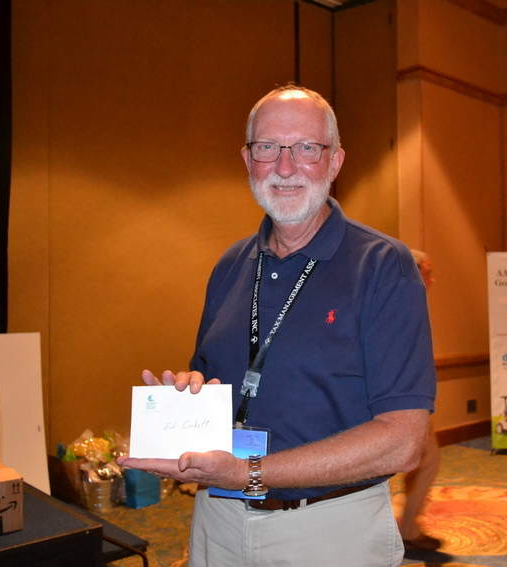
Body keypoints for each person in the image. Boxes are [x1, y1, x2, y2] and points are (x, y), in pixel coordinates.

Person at [119, 85, 436, 567]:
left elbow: (403, 442)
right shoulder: (229, 265)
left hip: (329, 531)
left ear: (334, 162)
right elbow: (214, 381)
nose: (285, 167)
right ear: (248, 160)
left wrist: (251, 472)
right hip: (218, 518)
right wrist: (190, 394)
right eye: (268, 147)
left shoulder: (383, 266)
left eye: (306, 148)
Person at [399, 249, 442, 552]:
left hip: (409, 398)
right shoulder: (404, 307)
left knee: (419, 463)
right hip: (405, 401)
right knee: (427, 460)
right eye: (428, 273)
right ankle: (407, 531)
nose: (433, 280)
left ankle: (407, 528)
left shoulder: (403, 301)